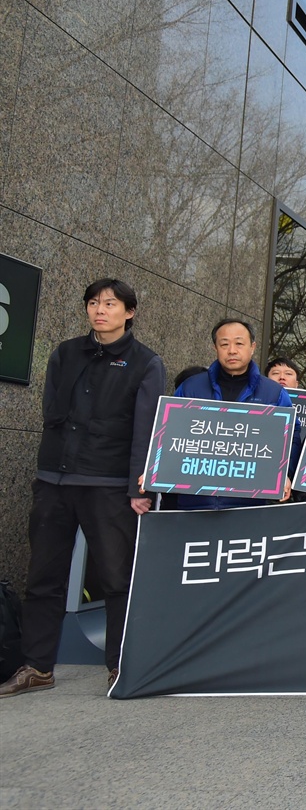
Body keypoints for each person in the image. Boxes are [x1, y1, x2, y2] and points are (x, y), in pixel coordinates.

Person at [0, 279, 165, 697]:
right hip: (55, 481)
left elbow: (145, 432)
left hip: (109, 487)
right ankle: (38, 666)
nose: (100, 310)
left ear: (129, 312)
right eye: (93, 303)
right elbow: (52, 411)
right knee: (43, 577)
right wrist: (46, 472)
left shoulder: (146, 362)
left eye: (110, 304)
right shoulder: (65, 352)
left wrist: (137, 488)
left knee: (116, 580)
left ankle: (120, 666)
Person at [168, 318, 297, 510]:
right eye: (224, 344)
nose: (232, 350)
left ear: (252, 347)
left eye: (239, 343)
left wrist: (284, 474)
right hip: (195, 500)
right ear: (215, 348)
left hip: (250, 503)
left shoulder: (273, 393)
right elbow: (170, 431)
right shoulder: (191, 387)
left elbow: (290, 438)